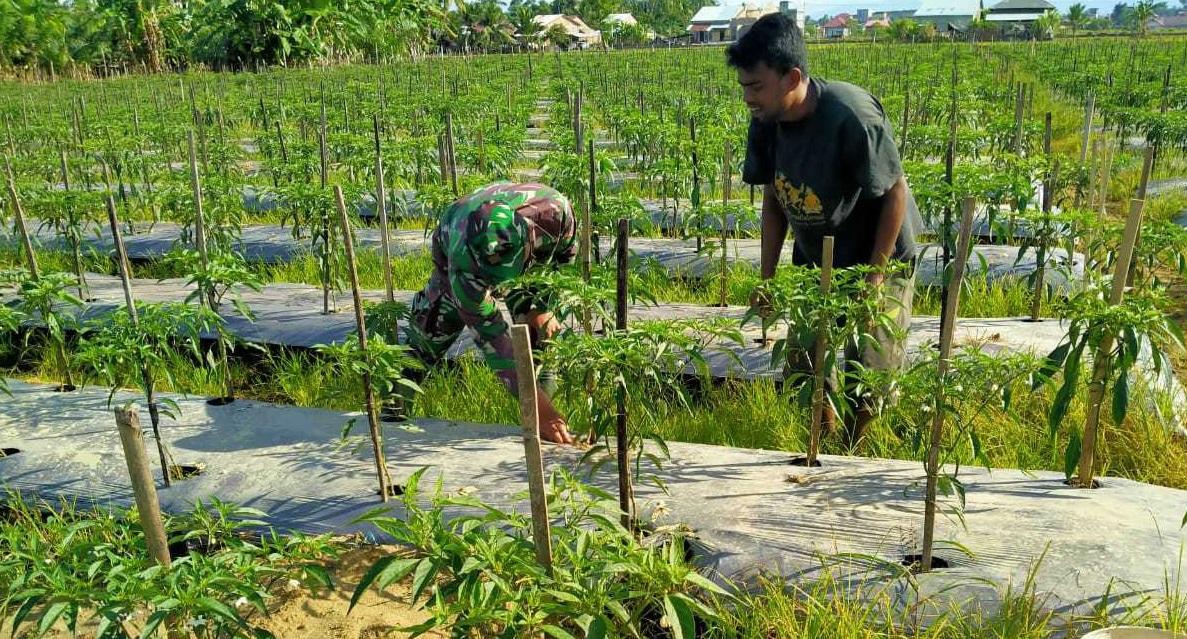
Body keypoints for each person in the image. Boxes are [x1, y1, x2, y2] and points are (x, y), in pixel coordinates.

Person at [727, 13, 923, 448]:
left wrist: (874, 280)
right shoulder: (766, 120)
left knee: (869, 369)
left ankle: (855, 454)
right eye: (743, 87)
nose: (747, 98)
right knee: (806, 362)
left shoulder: (851, 115)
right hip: (818, 255)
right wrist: (767, 279)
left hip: (880, 255)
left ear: (792, 77)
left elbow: (895, 193)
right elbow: (774, 199)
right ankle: (823, 446)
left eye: (755, 86)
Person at [407, 181, 576, 445]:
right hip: (456, 244)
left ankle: (547, 428)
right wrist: (538, 409)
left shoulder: (555, 213)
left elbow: (564, 258)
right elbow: (497, 344)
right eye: (495, 279)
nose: (500, 287)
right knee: (426, 339)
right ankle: (389, 416)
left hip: (532, 261)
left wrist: (541, 306)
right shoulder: (463, 262)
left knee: (541, 335)